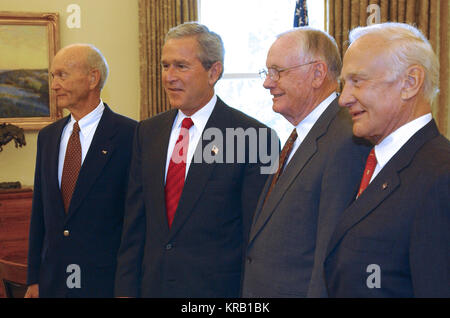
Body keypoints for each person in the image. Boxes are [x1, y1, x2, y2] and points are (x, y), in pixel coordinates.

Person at [114, 22, 277, 298]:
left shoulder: (253, 137)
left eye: (181, 66)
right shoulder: (147, 133)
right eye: (165, 66)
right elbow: (134, 224)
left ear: (214, 71)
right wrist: (125, 291)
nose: (169, 77)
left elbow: (256, 239)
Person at [242, 27, 370, 298]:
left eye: (278, 71)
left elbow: (330, 254)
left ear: (317, 74)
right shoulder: (299, 136)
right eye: (268, 72)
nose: (268, 82)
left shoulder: (346, 138)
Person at [324, 22, 450, 297]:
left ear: (410, 83)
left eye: (357, 81)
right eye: (345, 84)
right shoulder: (373, 163)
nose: (343, 99)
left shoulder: (441, 176)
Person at [25, 44, 137, 298]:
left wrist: (128, 285)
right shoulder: (48, 137)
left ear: (92, 78)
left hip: (105, 283)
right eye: (53, 76)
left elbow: (135, 220)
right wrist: (33, 278)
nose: (54, 85)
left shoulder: (130, 135)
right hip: (53, 283)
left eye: (62, 75)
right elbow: (40, 212)